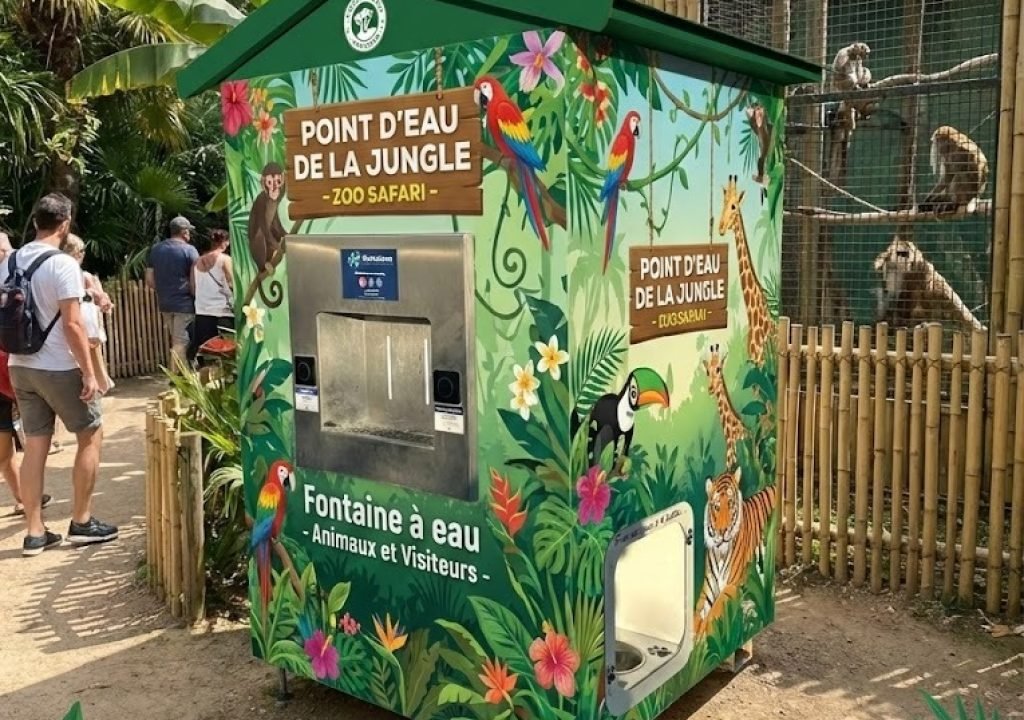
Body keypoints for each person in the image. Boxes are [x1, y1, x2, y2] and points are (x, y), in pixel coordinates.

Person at [4, 193, 116, 556]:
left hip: (20, 366)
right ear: (65, 224)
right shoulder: (63, 264)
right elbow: (72, 325)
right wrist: (88, 373)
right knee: (90, 433)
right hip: (57, 366)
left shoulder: (9, 262)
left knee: (36, 445)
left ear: (35, 221)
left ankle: (35, 532)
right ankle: (82, 521)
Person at [61, 234, 115, 394]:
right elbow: (100, 299)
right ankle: (96, 387)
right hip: (83, 325)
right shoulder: (80, 274)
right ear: (78, 252)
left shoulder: (75, 273)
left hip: (73, 325)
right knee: (89, 359)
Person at [146, 216, 198, 370]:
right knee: (181, 341)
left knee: (176, 339)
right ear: (184, 232)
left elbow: (149, 279)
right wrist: (195, 296)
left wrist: (165, 290)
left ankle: (179, 375)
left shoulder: (156, 249)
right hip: (185, 303)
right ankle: (178, 378)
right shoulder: (189, 250)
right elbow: (196, 278)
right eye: (188, 231)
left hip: (165, 303)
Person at [190, 229, 234, 363]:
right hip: (223, 312)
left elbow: (193, 288)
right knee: (227, 352)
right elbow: (231, 283)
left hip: (202, 311)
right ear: (225, 242)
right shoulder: (225, 259)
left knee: (207, 353)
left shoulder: (196, 262)